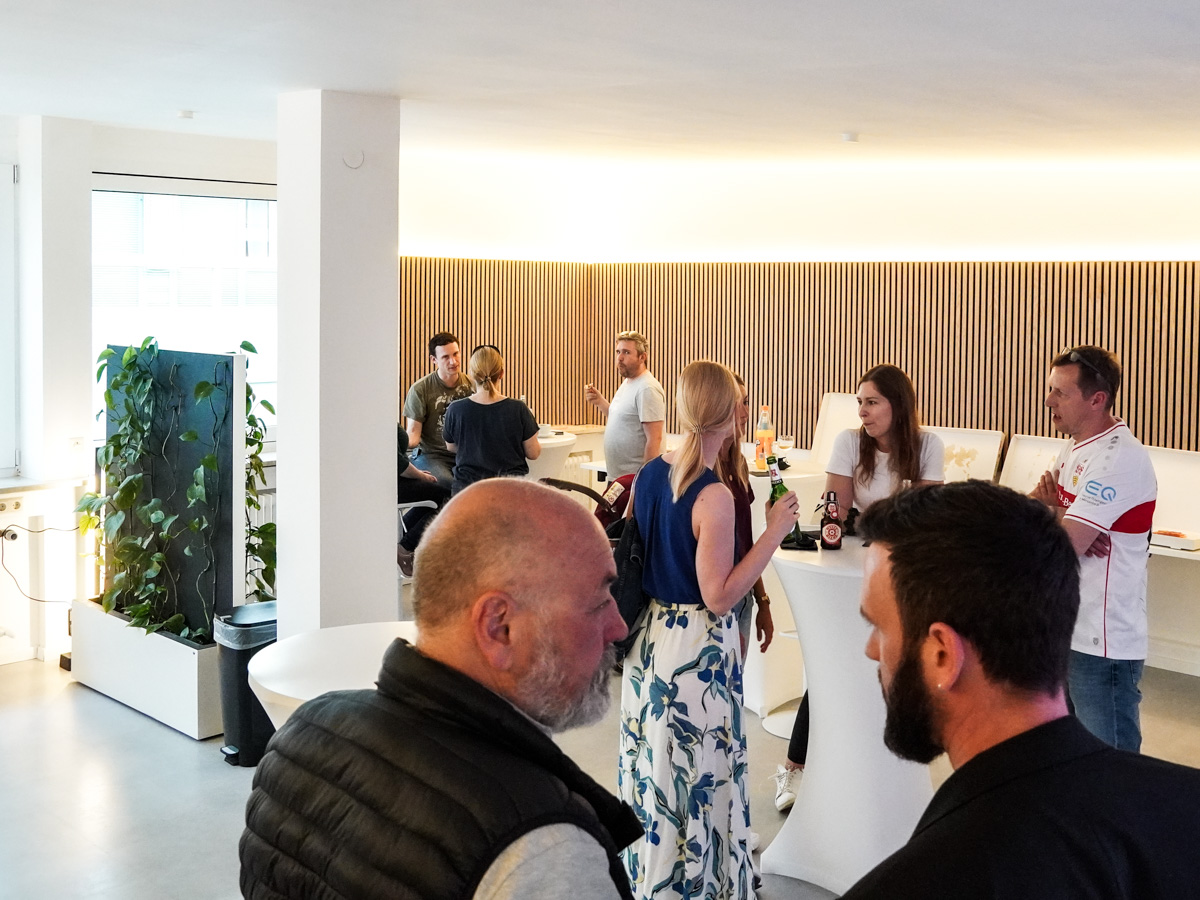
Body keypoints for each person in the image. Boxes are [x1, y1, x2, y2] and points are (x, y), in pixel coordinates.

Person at [240, 479, 643, 900]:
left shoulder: (302, 734)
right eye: (599, 602)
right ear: (499, 626)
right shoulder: (542, 852)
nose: (618, 626)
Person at [838, 480, 1200, 900]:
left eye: (879, 627)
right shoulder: (1187, 802)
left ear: (943, 656)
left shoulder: (912, 885)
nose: (871, 650)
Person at [619, 360, 800, 900]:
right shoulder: (712, 494)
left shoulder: (651, 474)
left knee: (657, 770)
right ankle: (700, 885)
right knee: (700, 772)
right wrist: (774, 533)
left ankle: (653, 879)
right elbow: (718, 595)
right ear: (728, 414)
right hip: (695, 650)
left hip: (651, 641)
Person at [773, 363, 944, 812]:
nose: (863, 412)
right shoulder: (850, 442)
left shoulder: (928, 444)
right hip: (851, 568)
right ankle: (794, 766)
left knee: (898, 670)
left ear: (897, 405)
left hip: (903, 576)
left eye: (872, 402)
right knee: (833, 667)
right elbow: (837, 510)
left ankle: (892, 779)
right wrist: (886, 515)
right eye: (860, 403)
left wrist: (874, 518)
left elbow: (927, 517)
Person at [1030, 345, 1157, 751]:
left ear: (1097, 399)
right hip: (1068, 628)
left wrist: (1061, 518)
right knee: (1073, 757)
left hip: (1103, 643)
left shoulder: (1118, 459)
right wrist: (1062, 514)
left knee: (1112, 764)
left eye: (1060, 393)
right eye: (1050, 389)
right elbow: (1039, 513)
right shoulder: (1074, 446)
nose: (1048, 400)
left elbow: (1063, 549)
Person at [714, 372, 774, 656]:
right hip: (712, 603)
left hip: (742, 599)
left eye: (746, 402)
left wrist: (762, 600)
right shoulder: (701, 473)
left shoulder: (738, 465)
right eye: (735, 404)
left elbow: (745, 542)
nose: (745, 413)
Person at [442, 345, 541, 495]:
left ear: (472, 374)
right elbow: (533, 453)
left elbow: (451, 447)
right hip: (510, 491)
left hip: (467, 492)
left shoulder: (455, 409)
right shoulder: (519, 408)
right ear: (501, 373)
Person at [584, 330, 666, 481]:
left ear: (642, 357)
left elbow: (655, 438)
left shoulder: (647, 388)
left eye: (626, 352)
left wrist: (646, 481)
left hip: (634, 480)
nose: (620, 358)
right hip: (619, 478)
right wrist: (600, 401)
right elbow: (621, 419)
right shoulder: (628, 383)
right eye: (618, 352)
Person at [403, 331, 473, 487]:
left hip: (465, 455)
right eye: (446, 357)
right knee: (445, 482)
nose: (453, 361)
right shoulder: (420, 389)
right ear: (433, 360)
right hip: (432, 455)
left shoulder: (472, 386)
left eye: (456, 354)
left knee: (483, 483)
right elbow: (413, 435)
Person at [395, 423, 450, 577]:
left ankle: (399, 537)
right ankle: (405, 548)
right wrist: (421, 476)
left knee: (438, 495)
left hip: (397, 478)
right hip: (394, 482)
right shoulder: (380, 421)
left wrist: (418, 473)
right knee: (447, 498)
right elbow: (398, 463)